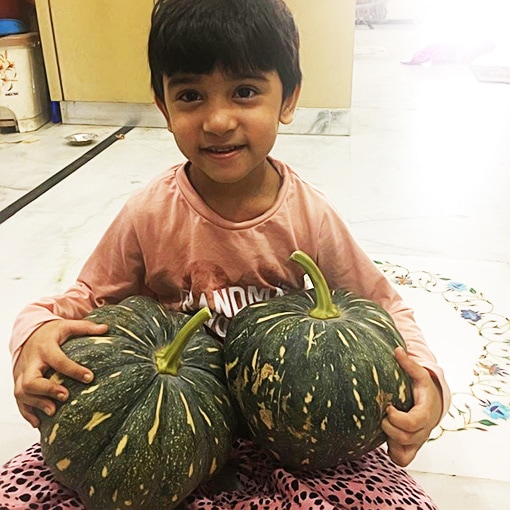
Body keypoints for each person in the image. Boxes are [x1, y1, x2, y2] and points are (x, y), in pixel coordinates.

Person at [1, 0, 450, 508]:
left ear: (288, 98)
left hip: (293, 434)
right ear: (164, 106)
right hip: (163, 428)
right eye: (190, 95)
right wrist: (34, 332)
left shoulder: (308, 215)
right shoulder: (151, 213)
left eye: (244, 92)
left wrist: (430, 384)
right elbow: (84, 298)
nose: (217, 120)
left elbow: (382, 308)